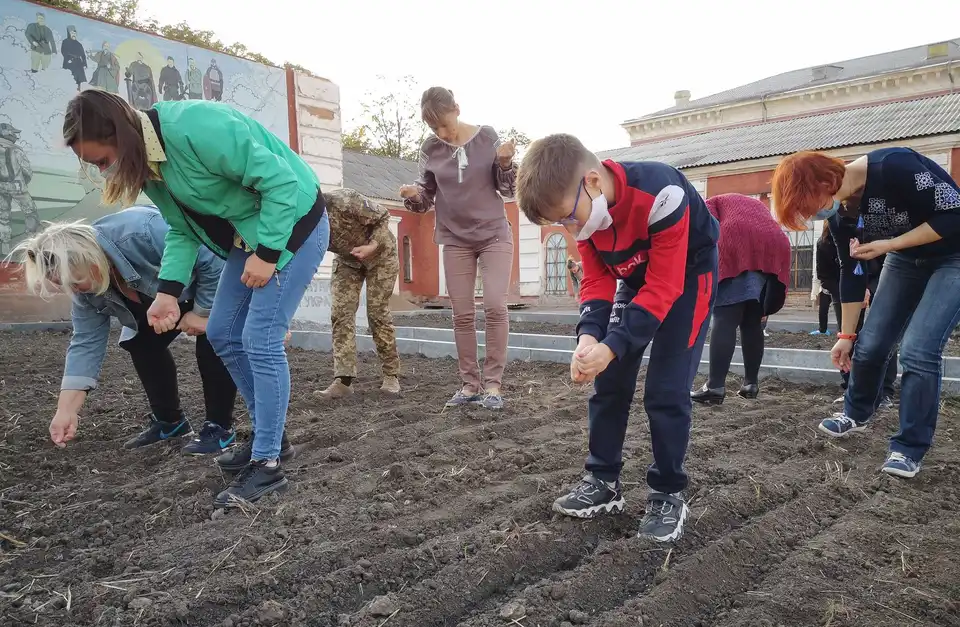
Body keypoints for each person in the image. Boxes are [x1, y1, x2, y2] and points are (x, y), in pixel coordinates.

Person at [62, 90, 330, 505]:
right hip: (249, 233)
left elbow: (282, 181)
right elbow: (182, 229)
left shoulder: (197, 128)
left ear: (121, 135)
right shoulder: (151, 166)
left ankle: (268, 466)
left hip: (293, 222)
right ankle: (271, 437)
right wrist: (167, 293)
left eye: (101, 160)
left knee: (260, 338)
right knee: (222, 332)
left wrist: (269, 254)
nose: (103, 172)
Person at [516, 133, 719, 543]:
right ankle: (602, 480)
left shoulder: (662, 193)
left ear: (592, 181)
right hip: (632, 273)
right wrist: (590, 339)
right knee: (608, 381)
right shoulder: (588, 215)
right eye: (561, 223)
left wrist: (615, 344)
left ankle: (668, 492)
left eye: (569, 219)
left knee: (666, 388)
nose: (570, 230)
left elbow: (663, 287)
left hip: (687, 275)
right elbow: (595, 280)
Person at [772, 147, 960, 479]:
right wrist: (845, 336)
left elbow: (954, 215)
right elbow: (851, 271)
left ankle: (908, 447)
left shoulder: (895, 166)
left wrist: (891, 244)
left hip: (953, 256)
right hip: (905, 259)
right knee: (870, 343)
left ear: (825, 182)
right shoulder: (841, 213)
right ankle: (856, 413)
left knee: (918, 350)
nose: (812, 215)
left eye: (806, 205)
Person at [13, 206, 238, 454]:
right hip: (162, 299)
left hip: (218, 279)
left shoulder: (144, 232)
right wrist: (65, 411)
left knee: (213, 336)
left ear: (91, 261)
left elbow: (214, 259)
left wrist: (202, 311)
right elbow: (85, 344)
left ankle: (219, 428)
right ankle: (170, 423)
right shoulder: (86, 294)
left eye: (75, 282)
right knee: (140, 342)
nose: (75, 291)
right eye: (64, 285)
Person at [399, 87, 517, 410]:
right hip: (454, 239)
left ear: (457, 110)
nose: (442, 133)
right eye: (434, 128)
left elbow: (508, 189)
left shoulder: (487, 138)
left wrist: (505, 163)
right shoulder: (431, 149)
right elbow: (425, 199)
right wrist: (412, 194)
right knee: (462, 314)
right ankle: (470, 385)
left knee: (494, 305)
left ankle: (493, 385)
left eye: (445, 125)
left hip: (493, 234)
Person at [692, 194, 791, 404]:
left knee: (725, 318)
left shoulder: (709, 203)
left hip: (738, 242)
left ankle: (715, 386)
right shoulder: (753, 204)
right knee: (752, 321)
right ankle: (750, 384)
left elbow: (704, 233)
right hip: (773, 245)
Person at [316, 188, 401, 398]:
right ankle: (343, 381)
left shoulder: (345, 200)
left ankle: (391, 376)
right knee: (340, 314)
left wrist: (372, 246)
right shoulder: (301, 221)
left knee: (377, 313)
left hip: (381, 255)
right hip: (347, 261)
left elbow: (383, 216)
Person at [820, 226, 898, 407]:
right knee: (847, 338)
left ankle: (885, 391)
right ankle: (850, 388)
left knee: (883, 335)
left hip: (878, 290)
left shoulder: (874, 234)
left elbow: (888, 269)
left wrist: (869, 289)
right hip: (844, 295)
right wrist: (848, 293)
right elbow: (826, 275)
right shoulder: (825, 243)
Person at [813, 225, 838, 336]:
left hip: (827, 279)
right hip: (839, 278)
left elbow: (819, 263)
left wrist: (821, 279)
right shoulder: (840, 240)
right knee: (841, 305)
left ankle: (823, 329)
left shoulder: (821, 242)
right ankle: (843, 329)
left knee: (824, 305)